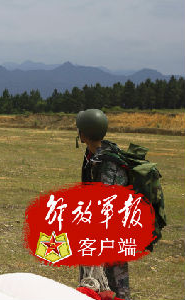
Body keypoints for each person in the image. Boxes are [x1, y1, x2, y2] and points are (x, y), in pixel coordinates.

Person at [76, 108, 131, 300]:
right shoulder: (92, 157)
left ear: (83, 135)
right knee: (91, 282)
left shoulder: (108, 162)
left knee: (117, 286)